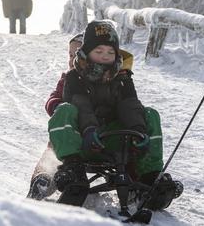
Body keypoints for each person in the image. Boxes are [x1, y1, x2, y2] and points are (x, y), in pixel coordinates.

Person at [48, 20, 181, 209]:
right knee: (64, 110)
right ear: (87, 51)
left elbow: (130, 105)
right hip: (84, 141)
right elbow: (81, 104)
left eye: (110, 52)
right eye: (99, 51)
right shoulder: (74, 77)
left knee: (150, 114)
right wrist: (89, 129)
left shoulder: (123, 79)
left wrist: (138, 130)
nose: (105, 57)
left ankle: (150, 178)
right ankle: (73, 170)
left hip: (116, 141)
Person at [26, 32, 84, 200]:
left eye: (77, 54)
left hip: (94, 135)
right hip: (67, 134)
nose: (72, 59)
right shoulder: (67, 78)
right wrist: (56, 105)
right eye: (70, 55)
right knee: (52, 152)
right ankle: (43, 180)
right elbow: (53, 97)